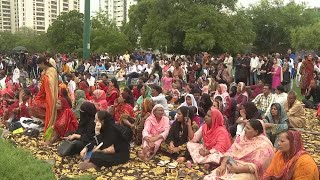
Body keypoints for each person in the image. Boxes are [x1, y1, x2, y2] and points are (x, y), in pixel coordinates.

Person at [205, 120, 275, 180]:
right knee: (210, 177)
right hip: (232, 165)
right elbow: (230, 152)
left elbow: (257, 166)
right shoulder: (242, 138)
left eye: (248, 128)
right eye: (245, 127)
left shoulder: (264, 145)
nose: (244, 129)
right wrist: (222, 165)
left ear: (256, 132)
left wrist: (237, 169)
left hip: (248, 172)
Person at [29, 57, 58, 143]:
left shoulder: (52, 71)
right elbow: (42, 88)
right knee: (34, 106)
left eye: (39, 65)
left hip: (51, 96)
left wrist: (45, 78)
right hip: (45, 95)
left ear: (42, 63)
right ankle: (47, 133)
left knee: (51, 115)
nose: (39, 67)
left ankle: (50, 136)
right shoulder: (45, 72)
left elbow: (51, 85)